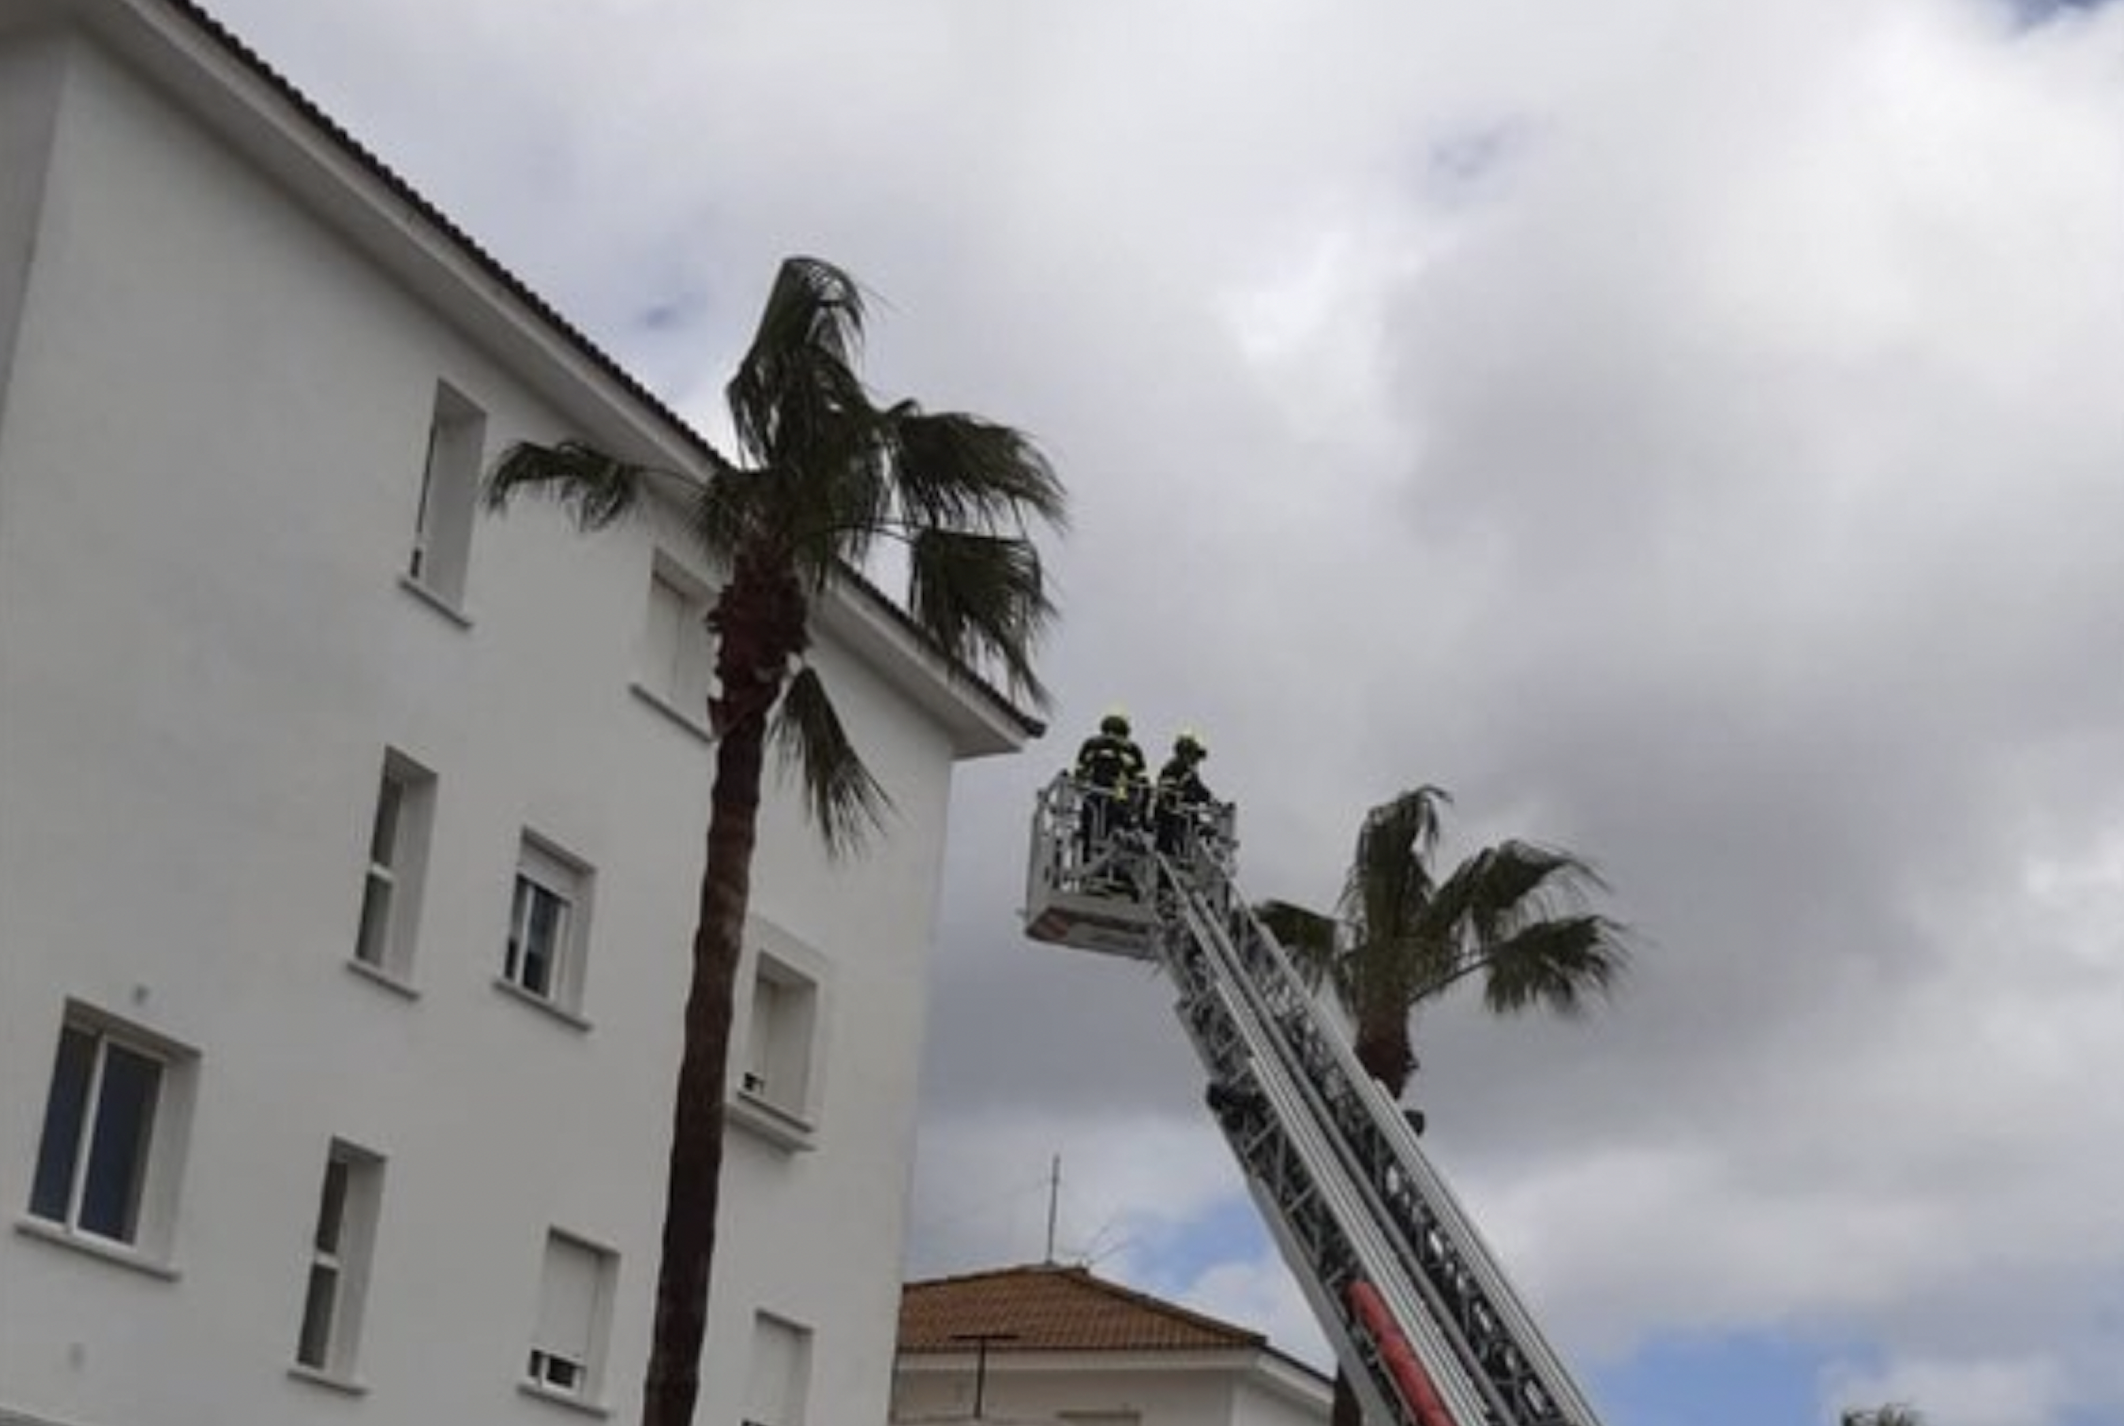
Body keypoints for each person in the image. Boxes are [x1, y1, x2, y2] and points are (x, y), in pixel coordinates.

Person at [1074, 709, 1147, 871]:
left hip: (1094, 798)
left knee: (1091, 835)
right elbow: (1141, 781)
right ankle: (1113, 872)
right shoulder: (1132, 749)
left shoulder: (1091, 744)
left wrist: (1081, 788)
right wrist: (1140, 809)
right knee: (1113, 836)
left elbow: (1079, 773)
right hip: (1118, 799)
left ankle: (1091, 868)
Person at [1154, 730, 1216, 858]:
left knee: (1195, 832)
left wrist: (1212, 801)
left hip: (1185, 816)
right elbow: (1167, 789)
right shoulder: (1173, 767)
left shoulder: (1189, 772)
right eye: (1194, 755)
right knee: (1167, 846)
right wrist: (1174, 802)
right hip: (1170, 816)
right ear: (1186, 752)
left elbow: (1200, 790)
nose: (1196, 760)